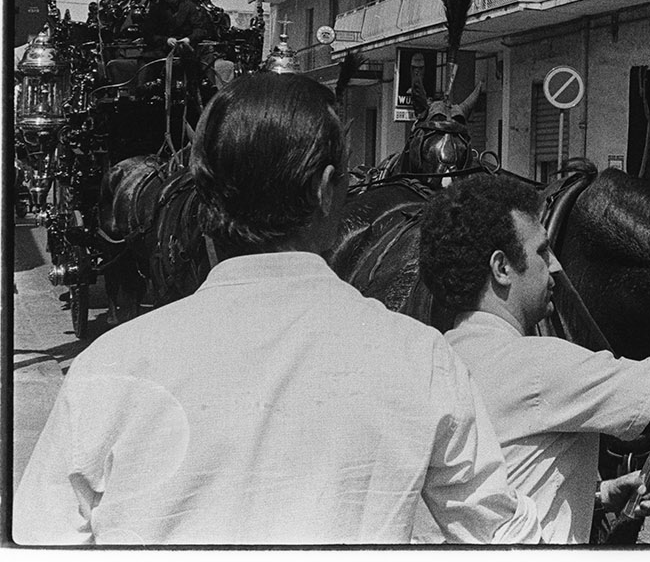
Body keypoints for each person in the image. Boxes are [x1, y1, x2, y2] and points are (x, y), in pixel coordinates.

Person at [14, 73, 542, 545]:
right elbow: (501, 531)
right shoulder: (422, 358)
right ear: (326, 190)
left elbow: (38, 541)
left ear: (204, 193)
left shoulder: (108, 366)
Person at [418, 173, 650, 544]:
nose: (554, 266)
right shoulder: (539, 367)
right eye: (541, 251)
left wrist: (596, 497)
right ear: (502, 268)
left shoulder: (439, 359)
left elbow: (481, 494)